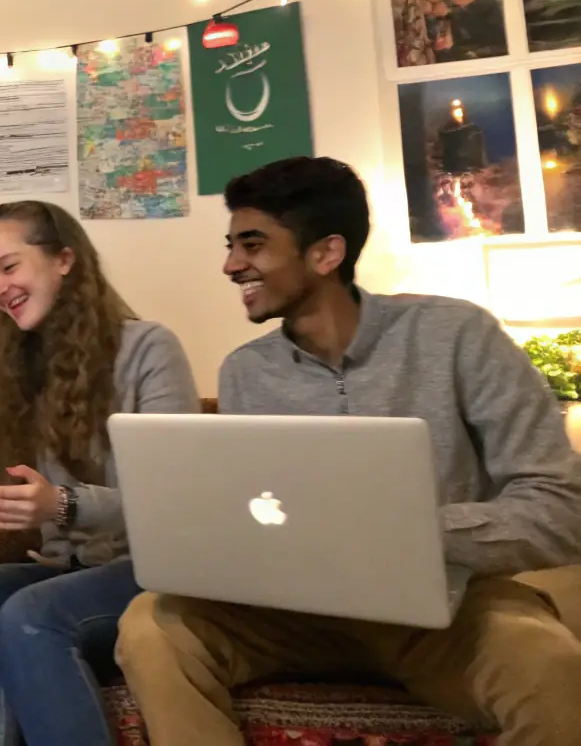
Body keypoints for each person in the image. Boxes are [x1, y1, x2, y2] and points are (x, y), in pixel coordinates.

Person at [115, 156, 581, 746]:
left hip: (447, 606)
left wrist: (411, 533)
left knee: (548, 666)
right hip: (293, 613)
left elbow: (560, 507)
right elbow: (251, 511)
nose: (231, 265)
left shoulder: (457, 335)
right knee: (151, 627)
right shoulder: (244, 373)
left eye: (252, 245)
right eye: (232, 247)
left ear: (326, 253)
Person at [0, 200, 199, 746]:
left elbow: (175, 499)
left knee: (30, 613)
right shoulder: (20, 367)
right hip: (64, 571)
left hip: (149, 573)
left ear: (64, 260)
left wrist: (65, 504)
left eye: (10, 266)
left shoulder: (149, 348)